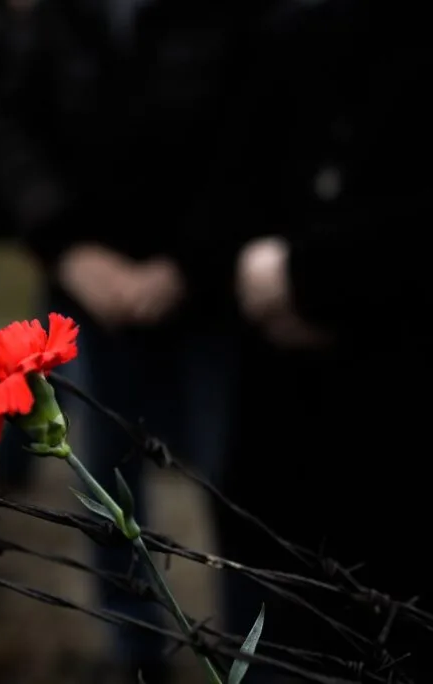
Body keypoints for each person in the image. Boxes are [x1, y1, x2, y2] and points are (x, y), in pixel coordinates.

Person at [0, 0, 264, 680]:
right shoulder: (54, 19)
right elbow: (11, 128)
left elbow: (254, 135)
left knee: (236, 480)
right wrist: (66, 247)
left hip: (212, 288)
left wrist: (190, 263)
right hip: (89, 287)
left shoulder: (228, 20)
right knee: (104, 475)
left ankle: (258, 655)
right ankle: (134, 654)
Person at [180, 1, 433, 680]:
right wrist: (250, 274)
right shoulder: (290, 36)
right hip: (285, 454)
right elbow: (219, 199)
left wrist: (307, 276)